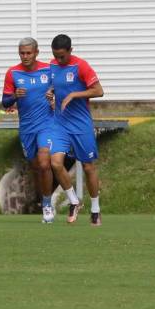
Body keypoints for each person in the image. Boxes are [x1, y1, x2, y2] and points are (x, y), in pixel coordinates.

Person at [2, 38, 80, 224]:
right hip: (27, 127)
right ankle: (44, 200)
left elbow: (63, 87)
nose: (25, 56)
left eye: (29, 53)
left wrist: (54, 96)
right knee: (37, 167)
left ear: (36, 52)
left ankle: (47, 205)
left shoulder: (49, 69)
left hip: (48, 124)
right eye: (22, 53)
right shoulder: (13, 73)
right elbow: (5, 102)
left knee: (45, 162)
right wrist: (14, 96)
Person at [47, 34, 104, 226]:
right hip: (60, 123)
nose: (59, 60)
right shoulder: (53, 66)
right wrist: (51, 92)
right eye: (56, 56)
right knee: (55, 163)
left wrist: (74, 94)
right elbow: (56, 85)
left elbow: (98, 90)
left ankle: (95, 209)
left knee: (88, 167)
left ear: (70, 51)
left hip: (81, 125)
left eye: (62, 56)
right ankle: (73, 201)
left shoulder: (81, 66)